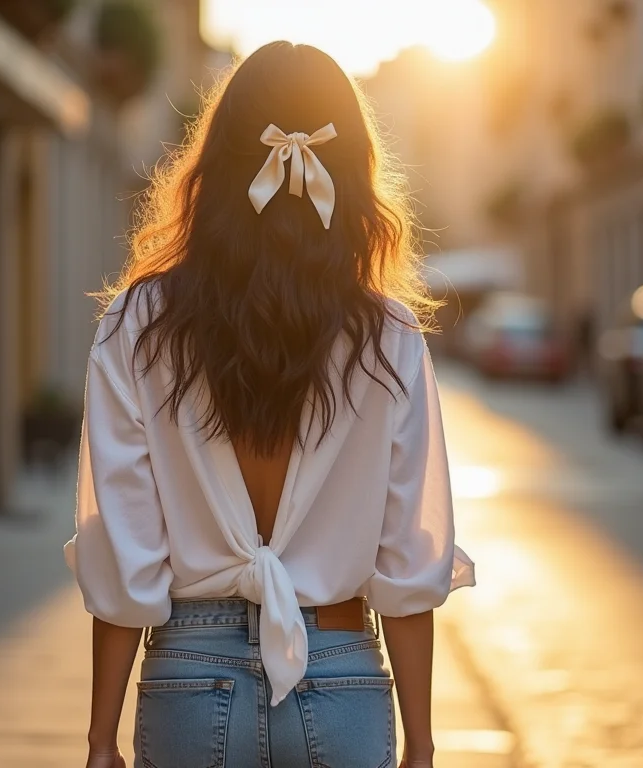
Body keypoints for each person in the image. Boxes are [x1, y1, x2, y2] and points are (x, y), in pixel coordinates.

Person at [64, 41, 475, 768]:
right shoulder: (389, 335)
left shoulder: (137, 323)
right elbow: (410, 565)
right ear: (352, 173)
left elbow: (125, 556)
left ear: (214, 168)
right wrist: (422, 744)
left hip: (189, 682)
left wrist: (100, 740)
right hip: (344, 676)